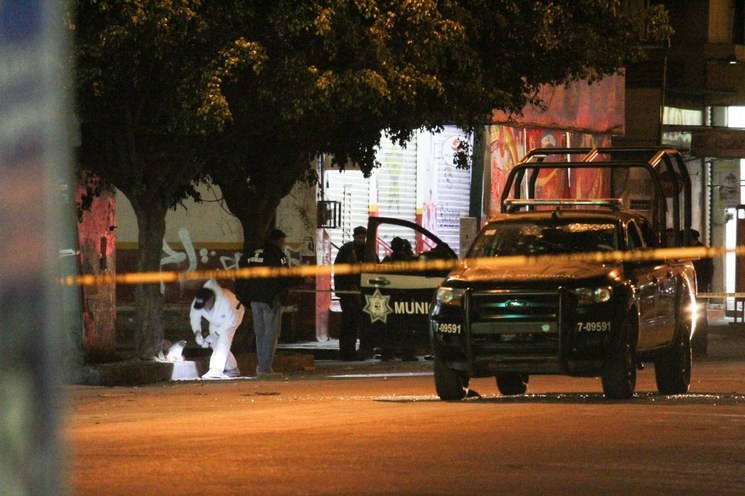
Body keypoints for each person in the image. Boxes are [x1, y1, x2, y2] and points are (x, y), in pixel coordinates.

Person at [239, 229, 301, 377]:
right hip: (270, 299)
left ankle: (262, 367)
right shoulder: (277, 255)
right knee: (271, 334)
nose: (283, 245)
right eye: (283, 242)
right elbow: (285, 277)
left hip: (254, 299)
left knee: (260, 333)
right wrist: (303, 279)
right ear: (279, 241)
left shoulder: (254, 254)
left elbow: (242, 271)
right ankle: (265, 368)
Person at [190, 279, 244, 380]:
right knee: (214, 344)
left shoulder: (225, 300)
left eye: (205, 305)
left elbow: (231, 321)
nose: (203, 308)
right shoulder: (198, 301)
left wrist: (216, 334)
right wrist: (197, 333)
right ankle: (232, 369)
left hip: (233, 317)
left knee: (223, 341)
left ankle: (216, 370)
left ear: (211, 300)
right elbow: (194, 318)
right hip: (215, 321)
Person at [334, 225, 370, 361]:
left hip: (362, 292)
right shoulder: (346, 250)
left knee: (358, 323)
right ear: (354, 237)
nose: (361, 240)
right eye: (359, 237)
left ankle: (356, 350)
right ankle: (346, 351)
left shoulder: (368, 250)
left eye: (363, 237)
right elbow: (339, 270)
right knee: (348, 323)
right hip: (348, 292)